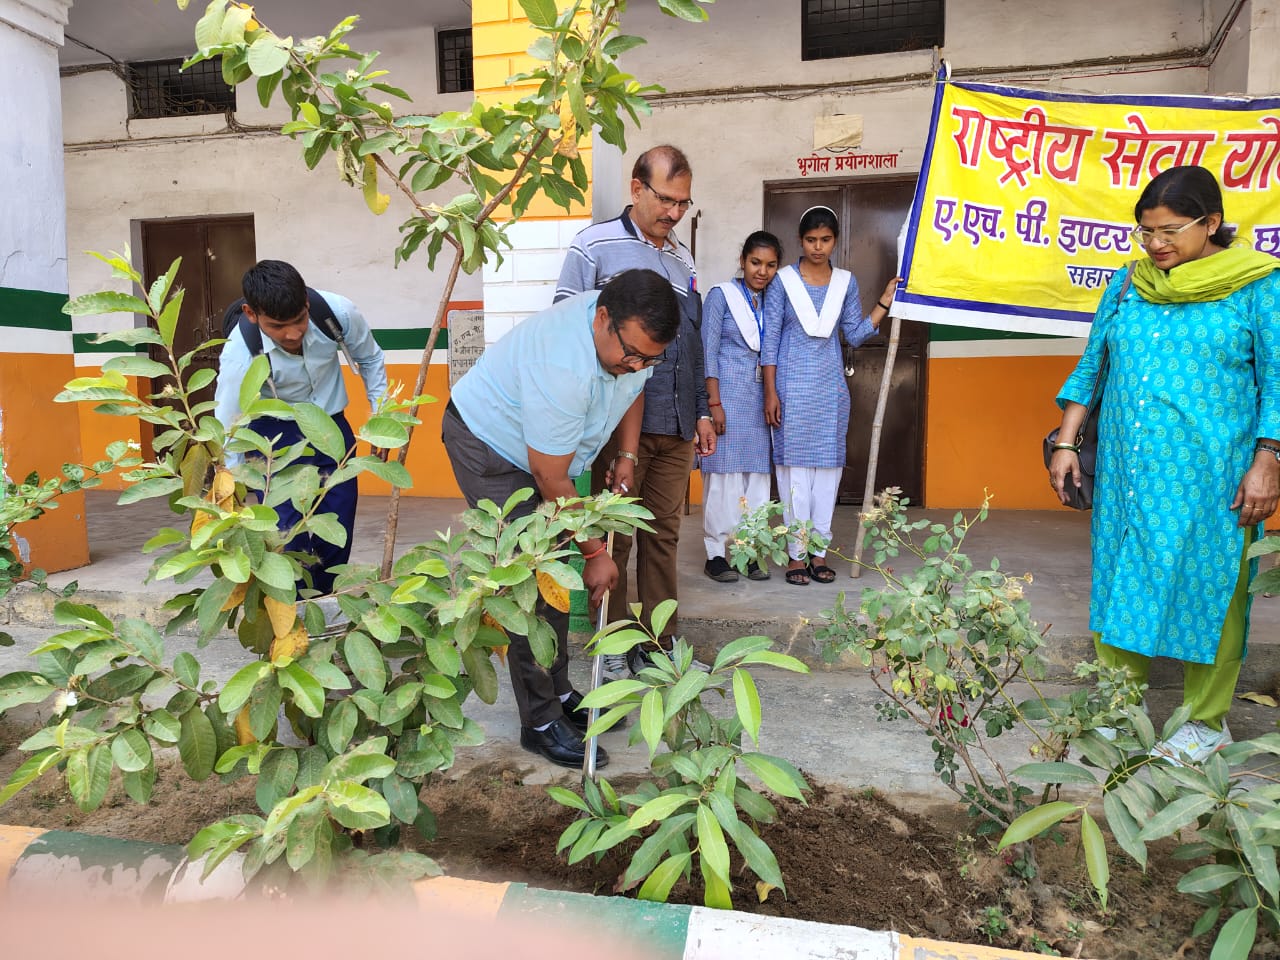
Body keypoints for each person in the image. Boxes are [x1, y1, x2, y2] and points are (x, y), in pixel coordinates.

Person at [1049, 165, 1280, 764]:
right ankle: (1117, 711)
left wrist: (1269, 460)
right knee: (1121, 579)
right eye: (1146, 231)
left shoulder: (1257, 285)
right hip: (1128, 473)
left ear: (1212, 222)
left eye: (1170, 230)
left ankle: (1206, 722)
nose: (1155, 243)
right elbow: (1092, 365)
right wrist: (1066, 444)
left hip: (1213, 474)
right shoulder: (1129, 284)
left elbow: (1277, 380)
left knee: (1213, 588)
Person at [443, 268, 680, 768]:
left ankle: (558, 690)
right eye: (631, 353)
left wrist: (627, 455)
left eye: (650, 358)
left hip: (544, 454)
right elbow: (550, 478)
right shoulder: (563, 365)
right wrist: (594, 553)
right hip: (489, 445)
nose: (637, 364)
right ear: (601, 318)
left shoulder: (631, 340)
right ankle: (539, 720)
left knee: (551, 576)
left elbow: (634, 387)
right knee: (528, 583)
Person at [555, 144, 715, 677]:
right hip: (619, 423)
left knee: (663, 536)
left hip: (675, 423)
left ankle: (660, 645)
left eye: (683, 203)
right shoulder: (593, 246)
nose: (674, 212)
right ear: (636, 188)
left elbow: (690, 343)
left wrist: (701, 410)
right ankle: (614, 648)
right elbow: (566, 329)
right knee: (615, 537)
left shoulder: (683, 260)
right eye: (666, 199)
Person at [214, 259, 387, 597]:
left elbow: (370, 358)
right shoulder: (239, 354)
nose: (293, 334)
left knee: (337, 523)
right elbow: (228, 423)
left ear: (307, 304)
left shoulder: (337, 313)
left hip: (331, 429)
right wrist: (233, 489)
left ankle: (325, 598)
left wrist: (381, 416)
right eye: (278, 326)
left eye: (299, 320)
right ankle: (290, 605)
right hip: (272, 437)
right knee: (284, 531)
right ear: (251, 314)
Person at [761, 206, 899, 586]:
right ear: (800, 241)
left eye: (825, 240)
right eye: (811, 240)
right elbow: (770, 341)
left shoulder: (845, 283)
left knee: (826, 476)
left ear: (835, 240)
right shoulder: (783, 282)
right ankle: (796, 555)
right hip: (790, 389)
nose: (818, 247)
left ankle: (819, 553)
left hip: (830, 392)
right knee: (794, 476)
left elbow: (854, 333)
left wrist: (884, 301)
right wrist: (770, 392)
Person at [700, 231, 783, 583]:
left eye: (770, 265)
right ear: (742, 261)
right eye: (755, 263)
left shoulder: (773, 302)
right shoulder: (721, 296)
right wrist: (713, 403)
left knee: (756, 479)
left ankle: (748, 551)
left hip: (758, 399)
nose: (762, 271)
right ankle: (716, 554)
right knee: (724, 477)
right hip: (727, 397)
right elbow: (707, 351)